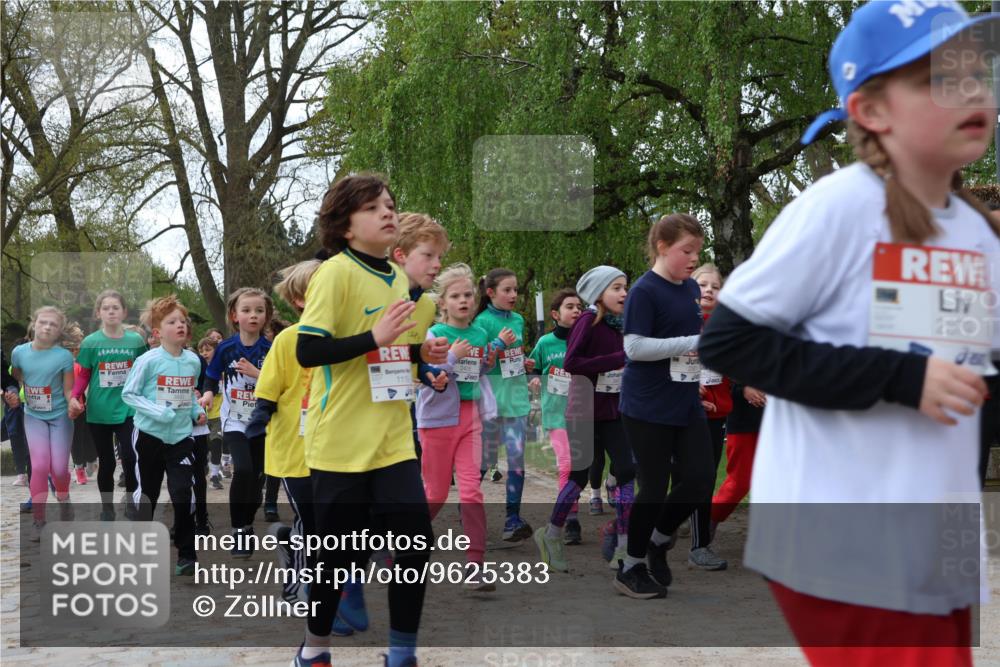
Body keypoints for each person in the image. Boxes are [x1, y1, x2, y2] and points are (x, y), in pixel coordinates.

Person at [700, 3, 1000, 663]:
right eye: (939, 79)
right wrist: (901, 377)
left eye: (979, 73)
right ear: (871, 110)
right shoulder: (838, 209)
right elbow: (729, 343)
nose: (975, 90)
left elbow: (972, 380)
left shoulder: (977, 231)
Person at [292, 173, 448, 667]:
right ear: (344, 225)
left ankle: (402, 654)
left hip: (393, 441)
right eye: (373, 207)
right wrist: (374, 339)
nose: (387, 213)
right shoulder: (334, 273)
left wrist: (425, 359)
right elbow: (307, 351)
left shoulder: (403, 284)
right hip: (338, 441)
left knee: (415, 543)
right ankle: (314, 649)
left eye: (390, 204)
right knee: (336, 559)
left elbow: (398, 358)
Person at [618, 214, 716, 598]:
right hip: (646, 405)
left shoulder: (690, 287)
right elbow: (634, 348)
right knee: (655, 486)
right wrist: (692, 342)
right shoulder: (644, 291)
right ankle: (631, 565)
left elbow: (690, 347)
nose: (693, 259)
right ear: (662, 247)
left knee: (700, 478)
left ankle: (659, 540)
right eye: (686, 250)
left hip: (685, 400)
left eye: (698, 251)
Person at [534, 267, 635, 572]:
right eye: (616, 288)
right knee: (578, 477)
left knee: (627, 469)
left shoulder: (620, 326)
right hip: (583, 411)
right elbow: (572, 362)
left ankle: (623, 544)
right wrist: (618, 360)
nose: (623, 293)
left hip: (614, 411)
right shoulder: (587, 320)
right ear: (598, 293)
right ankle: (551, 534)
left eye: (625, 287)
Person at [416, 263, 505, 591]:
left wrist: (485, 362)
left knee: (471, 491)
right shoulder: (434, 335)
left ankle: (475, 565)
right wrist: (450, 357)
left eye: (468, 294)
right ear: (443, 303)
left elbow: (477, 371)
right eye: (456, 296)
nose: (464, 300)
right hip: (437, 420)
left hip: (470, 416)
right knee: (436, 493)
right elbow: (430, 377)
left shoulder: (480, 333)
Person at [122, 295, 206, 575]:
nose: (180, 325)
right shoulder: (147, 361)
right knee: (148, 494)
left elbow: (188, 395)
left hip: (181, 438)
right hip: (148, 435)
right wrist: (159, 412)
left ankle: (187, 554)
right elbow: (129, 394)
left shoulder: (193, 361)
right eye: (172, 322)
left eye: (183, 321)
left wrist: (196, 412)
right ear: (158, 333)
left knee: (183, 492)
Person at [199, 287, 274, 557]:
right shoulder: (226, 348)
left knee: (256, 480)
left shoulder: (272, 348)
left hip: (263, 424)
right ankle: (238, 531)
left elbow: (280, 384)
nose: (253, 315)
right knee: (242, 470)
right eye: (246, 310)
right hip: (235, 423)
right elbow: (211, 375)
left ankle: (249, 518)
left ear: (266, 316)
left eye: (259, 310)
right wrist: (208, 392)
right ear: (234, 315)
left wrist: (258, 374)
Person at [69, 290, 147, 520]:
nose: (111, 311)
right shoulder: (91, 342)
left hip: (129, 409)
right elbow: (83, 375)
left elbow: (145, 371)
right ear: (98, 313)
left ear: (123, 312)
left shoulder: (135, 341)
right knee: (107, 462)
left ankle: (132, 502)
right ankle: (107, 508)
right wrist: (75, 397)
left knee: (132, 457)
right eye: (106, 308)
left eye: (115, 307)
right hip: (99, 411)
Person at [474, 268, 536, 541]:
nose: (513, 295)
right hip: (491, 404)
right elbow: (476, 365)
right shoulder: (481, 322)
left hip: (517, 402)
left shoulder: (519, 320)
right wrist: (498, 344)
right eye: (507, 290)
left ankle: (512, 519)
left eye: (515, 290)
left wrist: (523, 362)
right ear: (490, 293)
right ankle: (469, 513)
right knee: (484, 464)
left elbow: (511, 357)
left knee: (516, 463)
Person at [11, 306, 75, 538]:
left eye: (53, 324)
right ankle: (40, 521)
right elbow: (18, 378)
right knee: (38, 466)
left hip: (59, 416)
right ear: (34, 324)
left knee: (59, 469)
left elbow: (68, 390)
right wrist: (15, 395)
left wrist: (73, 402)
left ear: (59, 331)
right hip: (33, 415)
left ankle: (64, 497)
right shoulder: (18, 353)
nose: (47, 327)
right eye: (43, 322)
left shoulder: (64, 357)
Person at [528, 289, 583, 544]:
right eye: (569, 306)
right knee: (566, 464)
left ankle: (570, 512)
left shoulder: (585, 340)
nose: (576, 310)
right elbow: (533, 371)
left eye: (579, 307)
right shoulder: (545, 343)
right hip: (555, 413)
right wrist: (535, 380)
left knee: (580, 466)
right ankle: (570, 519)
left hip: (583, 412)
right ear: (555, 314)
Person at [686, 263, 731, 569]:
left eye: (715, 286)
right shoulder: (682, 321)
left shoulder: (727, 326)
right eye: (703, 284)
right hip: (685, 411)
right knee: (686, 478)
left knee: (706, 478)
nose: (709, 290)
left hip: (717, 414)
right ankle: (666, 529)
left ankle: (700, 545)